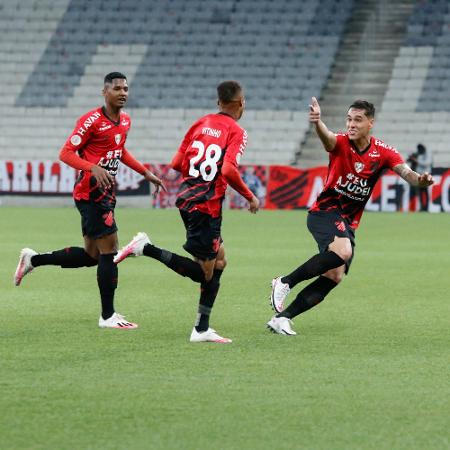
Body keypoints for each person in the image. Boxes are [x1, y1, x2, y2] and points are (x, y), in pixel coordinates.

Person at [267, 98, 434, 336]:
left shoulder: (383, 152)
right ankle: (285, 282)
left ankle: (282, 318)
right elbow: (328, 139)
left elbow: (407, 173)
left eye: (357, 120)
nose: (351, 124)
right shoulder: (342, 143)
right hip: (324, 212)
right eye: (348, 119)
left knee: (335, 275)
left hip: (348, 222)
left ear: (370, 123)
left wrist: (422, 181)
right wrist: (317, 124)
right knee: (343, 252)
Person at [14, 72, 165, 329]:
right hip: (90, 193)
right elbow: (65, 153)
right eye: (117, 88)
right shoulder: (91, 120)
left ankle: (33, 259)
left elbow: (120, 150)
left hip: (105, 192)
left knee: (92, 255)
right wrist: (91, 167)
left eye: (126, 88)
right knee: (110, 250)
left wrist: (145, 172)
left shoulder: (125, 121)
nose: (123, 93)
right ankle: (108, 316)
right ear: (104, 92)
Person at [114, 80, 260, 343]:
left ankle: (202, 328)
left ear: (218, 103)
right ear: (241, 103)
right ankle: (146, 248)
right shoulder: (237, 131)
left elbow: (177, 163)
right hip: (205, 207)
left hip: (189, 200)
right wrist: (249, 196)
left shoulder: (200, 123)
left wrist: (199, 179)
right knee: (203, 273)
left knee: (220, 262)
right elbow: (227, 170)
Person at [408, 144, 433, 211]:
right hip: (420, 175)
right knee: (420, 191)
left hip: (426, 175)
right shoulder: (418, 153)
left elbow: (427, 163)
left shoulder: (428, 154)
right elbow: (408, 161)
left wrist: (416, 161)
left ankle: (426, 207)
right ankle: (422, 207)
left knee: (425, 191)